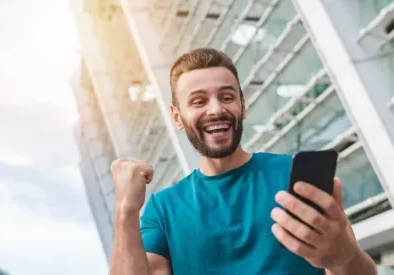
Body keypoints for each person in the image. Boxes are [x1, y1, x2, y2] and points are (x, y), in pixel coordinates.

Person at [109, 48, 377, 275]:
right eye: (199, 101)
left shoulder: (294, 175)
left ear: (243, 106)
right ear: (177, 117)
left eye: (226, 97)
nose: (216, 110)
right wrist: (124, 211)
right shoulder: (163, 209)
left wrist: (343, 258)